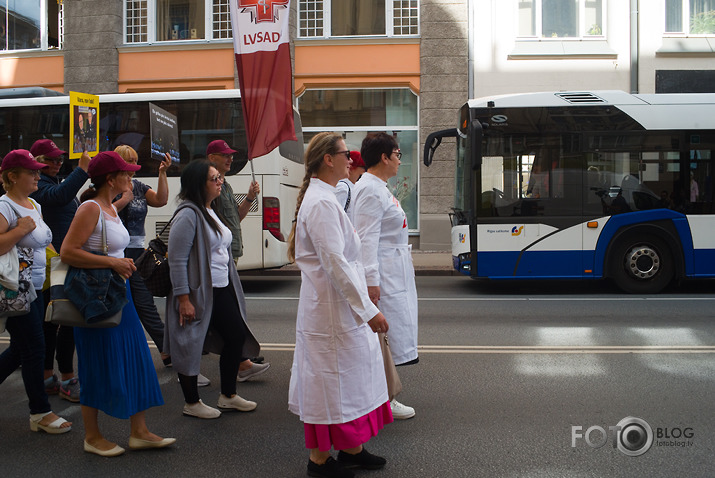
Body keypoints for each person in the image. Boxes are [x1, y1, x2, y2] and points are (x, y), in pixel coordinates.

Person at [288, 132, 391, 478]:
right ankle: (319, 460)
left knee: (350, 378)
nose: (352, 159)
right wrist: (369, 311)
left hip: (339, 307)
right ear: (327, 160)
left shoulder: (326, 197)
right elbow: (336, 263)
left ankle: (351, 449)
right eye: (346, 154)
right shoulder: (319, 203)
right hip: (331, 310)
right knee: (330, 382)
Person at [61, 151, 174, 456]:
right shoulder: (90, 208)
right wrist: (112, 264)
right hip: (96, 300)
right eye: (126, 173)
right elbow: (67, 253)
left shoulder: (110, 206)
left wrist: (117, 264)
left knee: (136, 358)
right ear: (111, 180)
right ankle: (93, 437)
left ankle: (139, 431)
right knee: (97, 364)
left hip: (117, 296)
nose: (131, 178)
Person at [165, 159, 261, 419]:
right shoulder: (187, 214)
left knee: (236, 335)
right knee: (190, 344)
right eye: (214, 179)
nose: (220, 182)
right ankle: (192, 403)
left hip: (221, 286)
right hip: (198, 291)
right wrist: (184, 298)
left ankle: (228, 396)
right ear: (199, 184)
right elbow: (177, 259)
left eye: (220, 177)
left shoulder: (210, 209)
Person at [0, 149, 72, 435]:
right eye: (31, 172)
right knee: (35, 348)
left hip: (40, 286)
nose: (38, 175)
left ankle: (40, 411)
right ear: (12, 176)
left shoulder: (32, 203)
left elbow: (44, 246)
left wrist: (66, 267)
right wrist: (20, 230)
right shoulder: (5, 206)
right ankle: (39, 412)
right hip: (17, 289)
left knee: (21, 349)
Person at [352, 132, 418, 420]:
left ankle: (381, 397)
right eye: (398, 155)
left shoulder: (378, 186)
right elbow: (366, 241)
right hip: (383, 274)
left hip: (394, 270)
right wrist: (371, 283)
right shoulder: (370, 190)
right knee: (380, 338)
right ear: (384, 157)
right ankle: (381, 400)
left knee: (384, 338)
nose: (399, 161)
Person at [29, 139, 88, 403]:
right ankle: (63, 377)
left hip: (59, 261)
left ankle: (50, 378)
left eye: (59, 159)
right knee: (61, 322)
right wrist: (82, 170)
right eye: (50, 160)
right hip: (52, 264)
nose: (57, 163)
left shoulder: (51, 182)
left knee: (55, 323)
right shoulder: (39, 187)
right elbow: (60, 197)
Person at [206, 139, 270, 382]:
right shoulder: (211, 187)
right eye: (225, 155)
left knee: (221, 313)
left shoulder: (226, 185)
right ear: (212, 157)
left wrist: (250, 198)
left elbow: (236, 219)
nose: (230, 159)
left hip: (230, 254)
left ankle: (240, 358)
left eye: (231, 155)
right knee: (227, 312)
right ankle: (240, 361)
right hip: (221, 257)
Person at [113, 145, 172, 367]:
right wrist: (123, 199)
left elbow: (161, 200)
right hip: (116, 252)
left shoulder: (138, 186)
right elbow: (101, 213)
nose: (132, 168)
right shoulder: (108, 186)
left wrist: (163, 173)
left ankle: (167, 350)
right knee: (121, 304)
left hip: (138, 251)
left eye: (135, 161)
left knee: (145, 302)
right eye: (128, 162)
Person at [334, 150, 366, 222]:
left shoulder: (352, 187)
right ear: (351, 168)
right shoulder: (343, 187)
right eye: (363, 168)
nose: (364, 172)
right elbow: (336, 218)